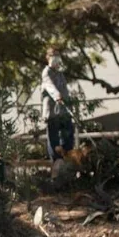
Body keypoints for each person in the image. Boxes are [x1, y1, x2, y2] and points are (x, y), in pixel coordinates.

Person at [41, 48, 75, 178]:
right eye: (53, 56)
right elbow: (50, 87)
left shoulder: (60, 74)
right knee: (53, 137)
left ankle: (67, 155)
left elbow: (65, 90)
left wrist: (69, 102)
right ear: (48, 58)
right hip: (52, 111)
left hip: (63, 111)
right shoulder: (46, 73)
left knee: (68, 131)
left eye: (58, 56)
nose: (56, 59)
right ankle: (56, 161)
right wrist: (57, 96)